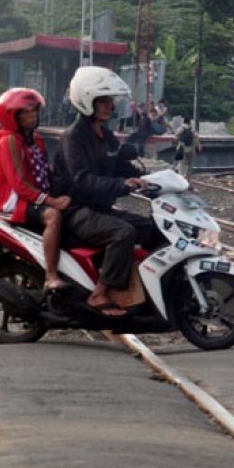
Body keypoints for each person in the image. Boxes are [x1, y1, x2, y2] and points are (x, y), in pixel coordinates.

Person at [52, 66, 159, 318]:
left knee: (152, 229)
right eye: (103, 101)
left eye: (111, 101)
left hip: (98, 208)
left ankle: (139, 288)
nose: (110, 106)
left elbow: (122, 166)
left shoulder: (106, 136)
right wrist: (124, 185)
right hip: (75, 210)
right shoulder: (73, 137)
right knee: (123, 232)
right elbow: (83, 181)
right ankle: (99, 292)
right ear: (86, 101)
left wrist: (158, 180)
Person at [0, 87, 72, 291]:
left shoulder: (36, 140)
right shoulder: (8, 142)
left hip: (31, 198)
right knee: (52, 216)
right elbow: (19, 184)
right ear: (12, 116)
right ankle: (51, 276)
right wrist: (51, 201)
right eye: (25, 112)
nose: (32, 115)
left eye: (34, 110)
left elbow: (44, 171)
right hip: (12, 202)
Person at [174, 117, 201, 181]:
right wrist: (199, 146)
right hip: (191, 149)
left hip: (182, 149)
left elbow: (175, 138)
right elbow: (196, 138)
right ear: (189, 122)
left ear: (183, 122)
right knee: (190, 165)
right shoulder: (192, 130)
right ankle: (188, 180)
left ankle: (180, 179)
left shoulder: (180, 129)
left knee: (182, 165)